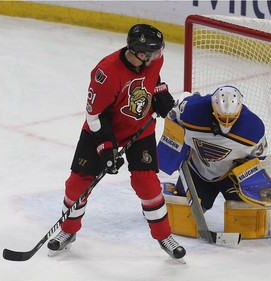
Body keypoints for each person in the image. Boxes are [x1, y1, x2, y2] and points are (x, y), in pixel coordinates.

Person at [47, 24, 186, 260]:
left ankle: (164, 236)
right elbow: (95, 115)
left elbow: (154, 79)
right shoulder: (107, 72)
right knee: (77, 184)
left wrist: (160, 93)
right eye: (155, 52)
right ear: (141, 54)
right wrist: (107, 149)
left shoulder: (153, 61)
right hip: (101, 130)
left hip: (139, 129)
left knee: (147, 184)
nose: (159, 56)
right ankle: (68, 231)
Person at [168, 85, 268, 212]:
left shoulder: (253, 128)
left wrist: (250, 181)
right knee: (185, 215)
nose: (226, 123)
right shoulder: (192, 110)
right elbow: (173, 115)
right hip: (197, 169)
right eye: (221, 117)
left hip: (232, 176)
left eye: (231, 118)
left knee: (246, 216)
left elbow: (259, 158)